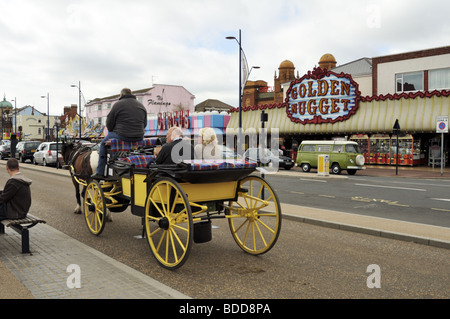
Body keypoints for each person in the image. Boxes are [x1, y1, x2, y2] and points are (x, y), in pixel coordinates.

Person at [92, 88, 147, 178]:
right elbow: (144, 124)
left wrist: (113, 131)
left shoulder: (118, 105)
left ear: (121, 95)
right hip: (139, 136)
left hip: (122, 135)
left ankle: (100, 172)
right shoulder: (141, 105)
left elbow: (109, 123)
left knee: (102, 144)